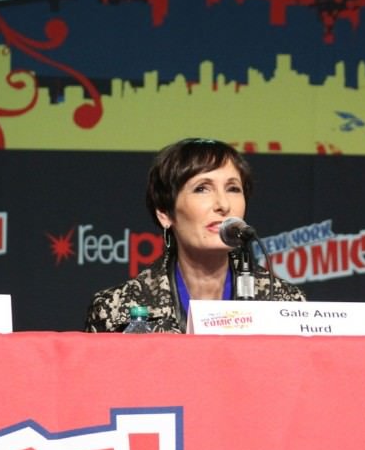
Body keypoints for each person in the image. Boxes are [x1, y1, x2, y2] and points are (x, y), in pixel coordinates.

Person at [84, 138, 305, 333]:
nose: (223, 205)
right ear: (165, 213)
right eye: (202, 188)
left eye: (233, 189)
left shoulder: (284, 303)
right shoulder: (117, 310)